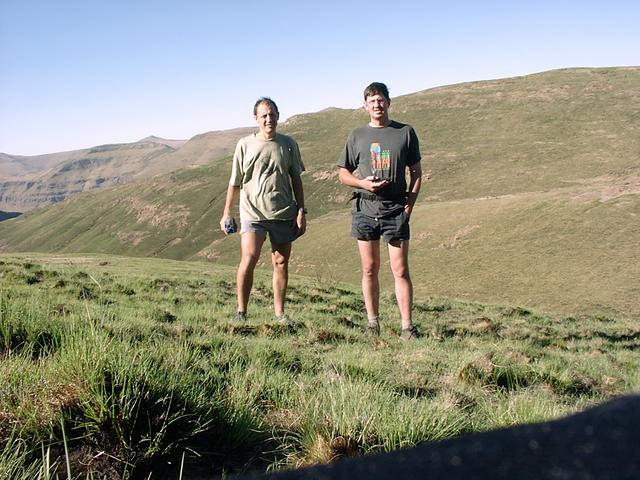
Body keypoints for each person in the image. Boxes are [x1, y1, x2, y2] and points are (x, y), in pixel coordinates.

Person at [337, 82, 422, 340]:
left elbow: (416, 172)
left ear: (388, 102)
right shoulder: (356, 135)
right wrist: (362, 183)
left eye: (381, 99)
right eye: (371, 100)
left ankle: (407, 326)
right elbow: (343, 174)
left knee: (400, 270)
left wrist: (409, 205)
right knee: (369, 269)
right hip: (364, 209)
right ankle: (373, 323)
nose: (377, 104)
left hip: (395, 210)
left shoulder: (405, 132)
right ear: (365, 106)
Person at [220, 97, 307, 323]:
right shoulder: (244, 144)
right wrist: (226, 213)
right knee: (249, 257)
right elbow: (234, 182)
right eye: (264, 115)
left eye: (272, 114)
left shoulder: (288, 144)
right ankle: (241, 312)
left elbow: (296, 179)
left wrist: (301, 211)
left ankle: (279, 314)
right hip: (253, 212)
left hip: (283, 212)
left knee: (280, 262)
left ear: (278, 115)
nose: (269, 119)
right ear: (256, 118)